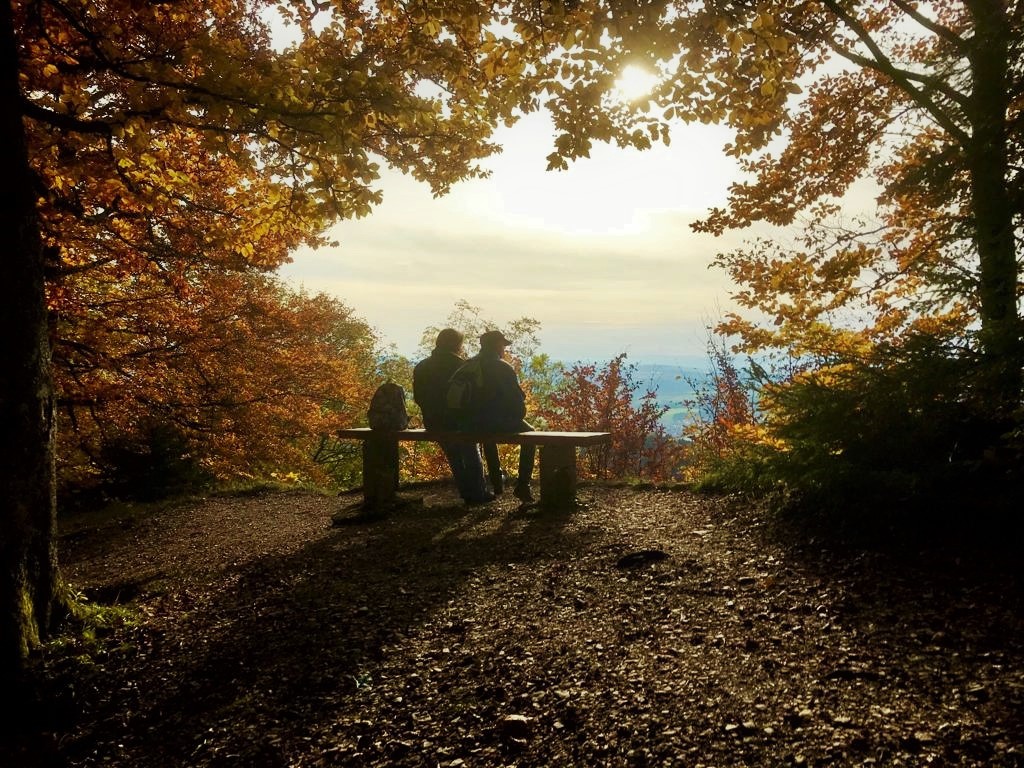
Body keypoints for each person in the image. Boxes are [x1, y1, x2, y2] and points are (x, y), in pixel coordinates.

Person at [413, 329, 492, 505]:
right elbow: (474, 397)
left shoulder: (422, 366)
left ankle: (466, 491)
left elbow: (418, 397)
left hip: (433, 422)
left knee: (454, 455)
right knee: (471, 451)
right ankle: (478, 492)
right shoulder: (462, 366)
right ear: (456, 344)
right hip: (459, 422)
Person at [458, 329, 536, 503]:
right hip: (496, 423)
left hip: (470, 424)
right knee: (531, 435)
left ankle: (496, 480)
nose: (504, 349)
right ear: (496, 345)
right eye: (503, 345)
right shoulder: (502, 367)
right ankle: (523, 485)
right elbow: (516, 402)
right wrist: (517, 416)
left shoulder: (468, 365)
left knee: (487, 437)